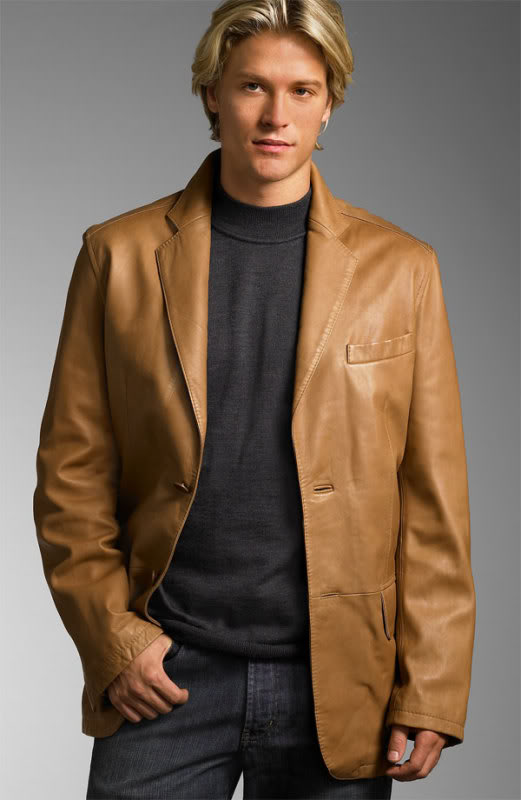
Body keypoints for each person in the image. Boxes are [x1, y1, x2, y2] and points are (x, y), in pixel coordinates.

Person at [33, 0, 476, 798]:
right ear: (212, 93)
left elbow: (432, 500)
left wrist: (431, 685)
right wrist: (114, 639)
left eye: (302, 90)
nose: (276, 116)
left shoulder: (401, 269)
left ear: (329, 103)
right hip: (166, 673)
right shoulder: (118, 255)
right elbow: (72, 476)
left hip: (340, 678)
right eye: (252, 87)